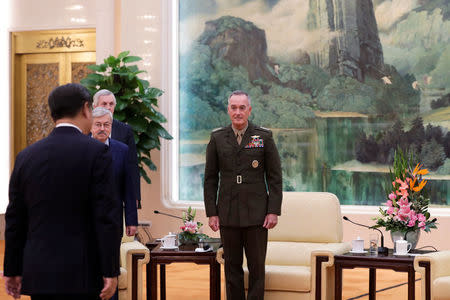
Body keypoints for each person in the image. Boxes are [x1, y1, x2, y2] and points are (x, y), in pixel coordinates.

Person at [4, 83, 121, 300]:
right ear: (87, 109)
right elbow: (106, 218)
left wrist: (12, 269)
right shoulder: (97, 153)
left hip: (39, 272)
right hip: (83, 273)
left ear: (52, 114)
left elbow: (15, 219)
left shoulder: (26, 156)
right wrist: (110, 269)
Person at [204, 90, 283, 300]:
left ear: (249, 110)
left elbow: (275, 177)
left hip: (257, 214)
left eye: (242, 108)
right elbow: (210, 179)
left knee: (257, 268)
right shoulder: (218, 138)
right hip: (228, 212)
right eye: (233, 107)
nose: (237, 112)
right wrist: (212, 212)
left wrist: (273, 210)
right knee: (232, 268)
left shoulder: (263, 136)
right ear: (228, 110)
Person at [91, 106, 138, 236]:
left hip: (113, 219)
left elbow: (128, 188)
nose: (102, 129)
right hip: (86, 219)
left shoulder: (122, 150)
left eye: (106, 125)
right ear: (90, 126)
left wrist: (131, 221)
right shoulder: (80, 148)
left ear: (111, 126)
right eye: (98, 124)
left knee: (111, 256)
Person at [93, 89, 141, 208]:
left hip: (117, 193)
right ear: (94, 106)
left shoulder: (125, 130)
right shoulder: (87, 128)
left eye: (111, 104)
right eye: (104, 104)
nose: (108, 107)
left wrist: (134, 196)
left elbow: (132, 164)